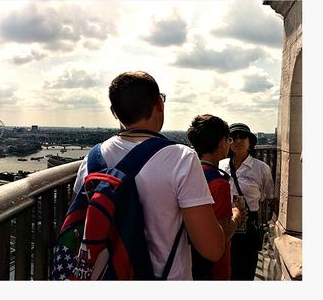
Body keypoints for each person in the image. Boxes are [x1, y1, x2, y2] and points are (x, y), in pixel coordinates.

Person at [72, 71, 237, 279]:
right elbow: (211, 249)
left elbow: (80, 224)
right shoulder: (181, 158)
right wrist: (236, 217)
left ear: (115, 112)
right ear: (159, 103)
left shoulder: (91, 159)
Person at [185, 114, 245, 279]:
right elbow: (222, 236)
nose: (230, 144)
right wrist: (237, 215)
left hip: (190, 261)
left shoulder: (189, 175)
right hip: (214, 269)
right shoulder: (219, 184)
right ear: (221, 143)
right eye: (229, 139)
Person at [221, 122, 274, 280]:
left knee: (246, 267)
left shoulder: (261, 168)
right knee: (225, 266)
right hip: (224, 220)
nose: (238, 141)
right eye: (233, 137)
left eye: (242, 137)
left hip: (249, 223)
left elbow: (269, 196)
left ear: (250, 142)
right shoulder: (221, 165)